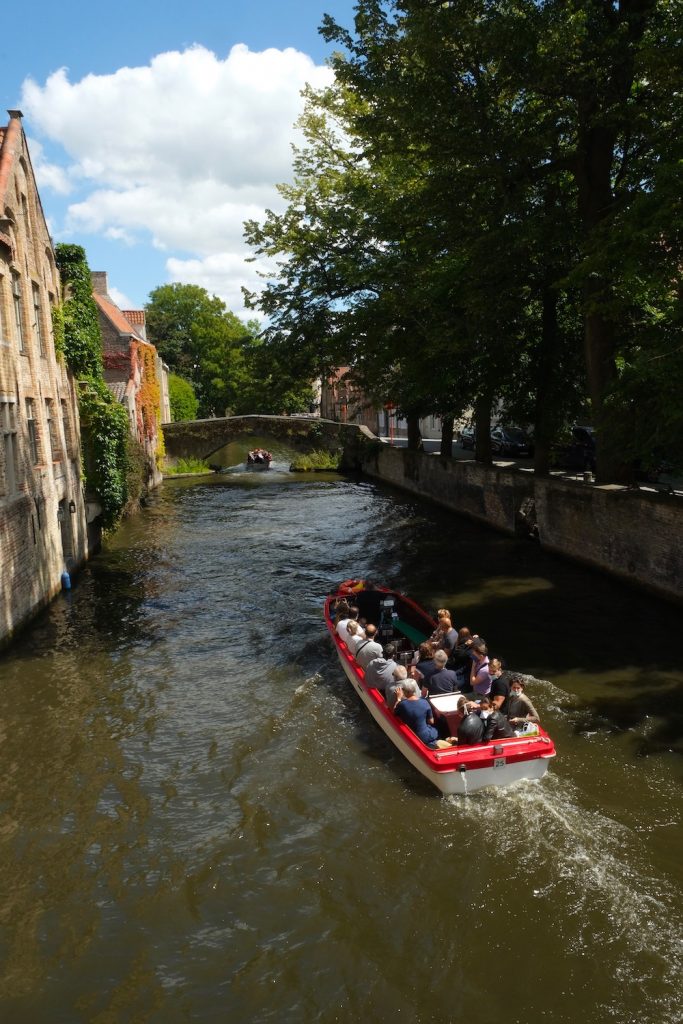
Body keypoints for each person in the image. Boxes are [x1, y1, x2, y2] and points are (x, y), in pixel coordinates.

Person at [394, 679, 441, 748]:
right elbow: (431, 721)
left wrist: (398, 698)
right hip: (425, 736)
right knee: (440, 727)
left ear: (404, 691)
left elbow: (394, 711)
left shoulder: (402, 704)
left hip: (411, 735)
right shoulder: (424, 702)